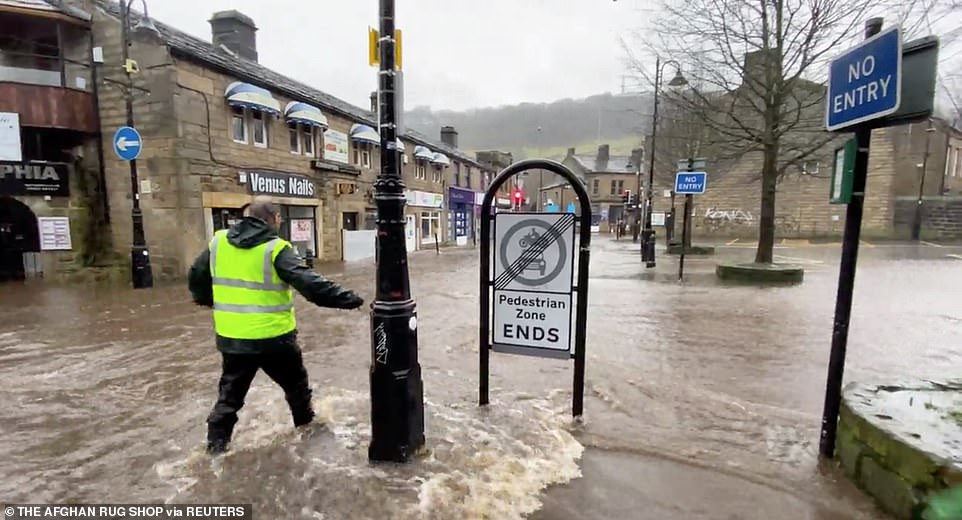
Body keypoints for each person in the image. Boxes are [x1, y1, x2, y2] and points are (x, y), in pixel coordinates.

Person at [188, 196, 365, 455]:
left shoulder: (219, 242)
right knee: (297, 391)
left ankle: (214, 451)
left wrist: (205, 300)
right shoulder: (276, 248)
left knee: (229, 400)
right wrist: (351, 300)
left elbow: (196, 274)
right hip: (275, 340)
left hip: (234, 340)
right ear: (272, 218)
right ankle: (307, 438)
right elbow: (311, 285)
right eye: (279, 218)